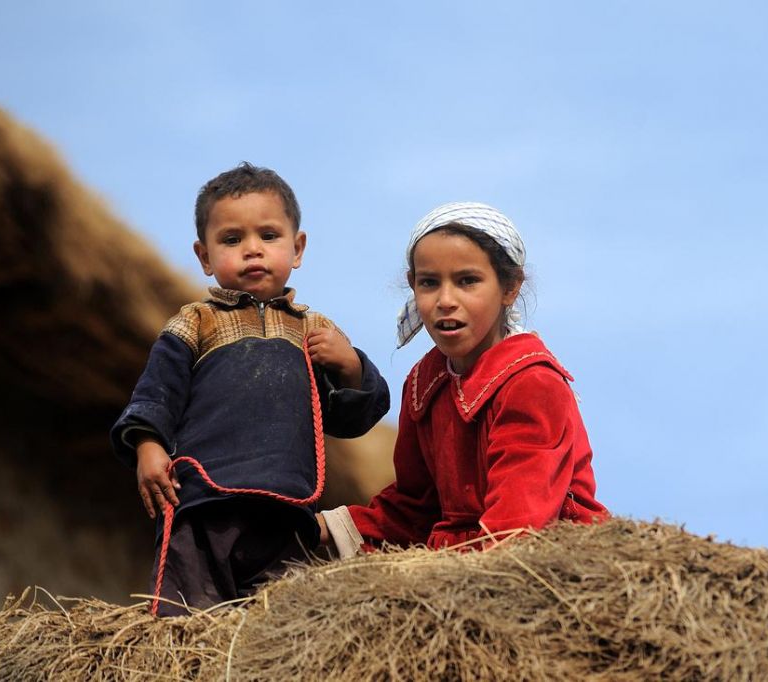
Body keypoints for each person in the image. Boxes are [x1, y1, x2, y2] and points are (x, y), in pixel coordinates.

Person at [111, 162, 389, 615]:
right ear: (204, 257)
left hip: (286, 512)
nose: (253, 250)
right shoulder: (194, 322)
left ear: (297, 248)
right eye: (232, 239)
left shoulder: (314, 330)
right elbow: (156, 391)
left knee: (282, 628)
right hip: (202, 505)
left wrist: (352, 366)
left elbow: (352, 417)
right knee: (185, 624)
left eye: (269, 236)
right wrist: (146, 444)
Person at [318, 202, 607, 556]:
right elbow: (414, 507)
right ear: (413, 286)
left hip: (546, 564)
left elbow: (519, 527)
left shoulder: (532, 385)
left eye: (467, 281)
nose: (445, 300)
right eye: (429, 283)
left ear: (510, 287)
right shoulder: (423, 384)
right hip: (454, 565)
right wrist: (326, 527)